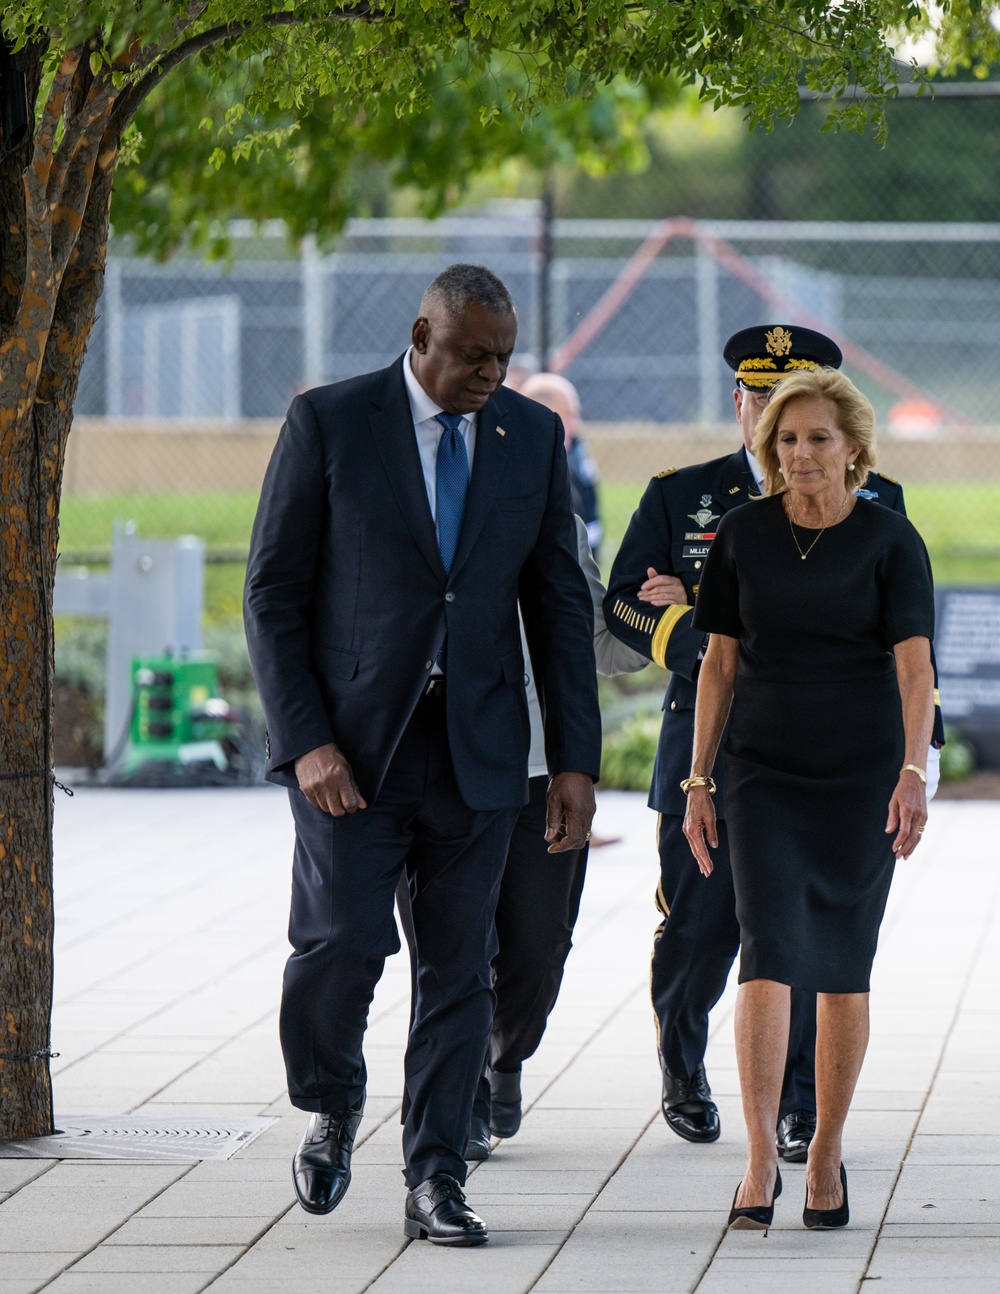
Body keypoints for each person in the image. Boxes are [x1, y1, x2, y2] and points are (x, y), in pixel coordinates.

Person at [243, 263, 602, 1247]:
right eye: (474, 355)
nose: (491, 373)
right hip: (352, 755)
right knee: (339, 949)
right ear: (420, 336)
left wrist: (574, 759)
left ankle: (436, 1173)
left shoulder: (531, 435)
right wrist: (306, 740)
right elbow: (271, 593)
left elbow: (560, 604)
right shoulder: (330, 421)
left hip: (479, 751)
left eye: (504, 357)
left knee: (462, 970)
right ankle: (331, 1099)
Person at [603, 325, 943, 1159]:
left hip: (828, 743)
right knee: (700, 920)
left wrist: (909, 759)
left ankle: (799, 1105)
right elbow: (621, 604)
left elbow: (893, 632)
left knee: (800, 930)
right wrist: (705, 629)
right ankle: (683, 1062)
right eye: (761, 402)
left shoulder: (881, 503)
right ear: (741, 405)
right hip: (712, 741)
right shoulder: (686, 495)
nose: (777, 426)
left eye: (797, 409)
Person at [682, 366, 934, 1230]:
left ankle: (823, 1153)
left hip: (860, 779)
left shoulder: (891, 540)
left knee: (840, 963)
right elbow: (718, 662)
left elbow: (914, 668)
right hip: (762, 773)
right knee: (767, 948)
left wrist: (912, 773)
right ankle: (760, 1162)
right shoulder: (744, 536)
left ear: (853, 448)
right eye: (786, 440)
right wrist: (697, 780)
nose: (800, 455)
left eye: (818, 439)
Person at [396, 511, 647, 1161]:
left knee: (538, 948)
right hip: (436, 769)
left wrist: (660, 609)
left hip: (541, 771)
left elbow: (602, 644)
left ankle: (505, 1053)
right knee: (451, 946)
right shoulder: (405, 502)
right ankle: (462, 1091)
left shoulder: (554, 522)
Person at [522, 373, 603, 556]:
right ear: (543, 420)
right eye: (570, 416)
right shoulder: (533, 478)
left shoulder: (572, 462)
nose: (576, 426)